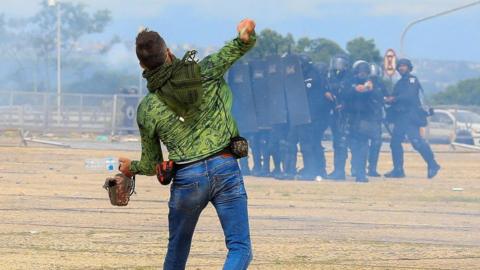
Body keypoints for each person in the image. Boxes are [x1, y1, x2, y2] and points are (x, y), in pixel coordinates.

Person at [118, 19, 256, 269]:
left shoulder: (147, 109)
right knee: (240, 248)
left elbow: (152, 165)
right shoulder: (203, 72)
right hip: (225, 167)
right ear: (169, 52)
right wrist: (245, 36)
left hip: (187, 179)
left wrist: (131, 167)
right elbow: (236, 48)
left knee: (177, 251)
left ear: (141, 65)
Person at [384, 58, 441, 179]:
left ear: (409, 67)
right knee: (394, 143)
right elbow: (394, 96)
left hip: (410, 117)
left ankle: (433, 164)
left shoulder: (412, 80)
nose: (401, 68)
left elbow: (409, 96)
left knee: (416, 142)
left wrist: (394, 99)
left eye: (403, 66)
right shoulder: (399, 83)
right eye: (399, 66)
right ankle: (398, 170)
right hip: (400, 118)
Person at [345, 61, 384, 182]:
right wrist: (355, 89)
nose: (362, 74)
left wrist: (370, 90)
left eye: (365, 72)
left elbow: (380, 97)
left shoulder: (374, 84)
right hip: (351, 118)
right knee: (354, 146)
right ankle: (355, 169)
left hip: (366, 119)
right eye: (360, 72)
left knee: (362, 146)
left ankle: (361, 173)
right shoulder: (350, 82)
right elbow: (344, 94)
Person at [324, 54, 352, 180]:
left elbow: (352, 95)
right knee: (337, 142)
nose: (337, 65)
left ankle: (340, 171)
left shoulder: (349, 78)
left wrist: (344, 105)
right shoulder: (331, 77)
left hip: (344, 115)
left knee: (342, 143)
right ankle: (337, 169)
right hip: (334, 113)